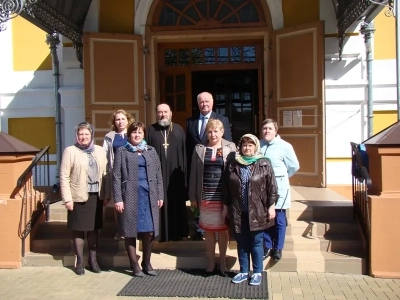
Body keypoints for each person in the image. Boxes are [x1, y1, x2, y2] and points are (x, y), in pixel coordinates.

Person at [222, 134, 278, 286]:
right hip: (237, 210)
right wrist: (225, 208)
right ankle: (243, 271)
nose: (247, 148)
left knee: (256, 242)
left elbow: (272, 187)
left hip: (258, 210)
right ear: (240, 147)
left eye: (250, 145)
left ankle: (257, 272)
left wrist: (271, 206)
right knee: (241, 242)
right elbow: (226, 188)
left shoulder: (264, 163)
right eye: (244, 145)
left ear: (255, 147)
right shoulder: (233, 164)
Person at [113, 121, 164, 277]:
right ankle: (134, 265)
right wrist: (118, 199)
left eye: (140, 132)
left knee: (149, 231)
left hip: (149, 195)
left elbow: (158, 173)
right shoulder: (122, 151)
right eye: (134, 132)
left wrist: (160, 194)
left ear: (144, 135)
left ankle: (146, 262)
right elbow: (116, 176)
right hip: (129, 195)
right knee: (130, 232)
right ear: (129, 135)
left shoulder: (151, 150)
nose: (137, 135)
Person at [60, 122, 109, 275]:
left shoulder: (100, 151)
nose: (84, 137)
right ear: (77, 136)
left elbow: (106, 174)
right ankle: (80, 262)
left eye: (86, 134)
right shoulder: (70, 151)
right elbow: (64, 176)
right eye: (81, 134)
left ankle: (93, 261)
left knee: (94, 229)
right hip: (78, 196)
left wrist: (106, 195)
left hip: (96, 196)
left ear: (91, 135)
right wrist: (67, 199)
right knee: (78, 230)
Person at [188, 119, 236, 277]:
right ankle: (211, 262)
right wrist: (193, 196)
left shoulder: (230, 147)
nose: (213, 134)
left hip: (223, 196)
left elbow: (234, 174)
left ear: (222, 132)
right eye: (210, 131)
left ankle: (222, 262)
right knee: (208, 231)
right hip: (206, 195)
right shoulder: (200, 148)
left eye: (216, 131)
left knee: (223, 230)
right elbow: (194, 173)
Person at [186, 91, 232, 240]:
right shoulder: (190, 122)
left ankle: (220, 230)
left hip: (218, 172)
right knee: (199, 201)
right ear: (198, 104)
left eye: (207, 101)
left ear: (212, 103)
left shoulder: (222, 119)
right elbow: (188, 147)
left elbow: (229, 146)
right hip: (199, 169)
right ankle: (199, 228)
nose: (204, 104)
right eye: (201, 102)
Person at [146, 103, 189, 242]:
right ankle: (159, 234)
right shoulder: (151, 130)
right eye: (160, 112)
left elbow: (184, 154)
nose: (163, 114)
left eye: (165, 112)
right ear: (156, 114)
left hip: (175, 176)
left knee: (175, 201)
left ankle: (176, 232)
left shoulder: (178, 130)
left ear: (171, 113)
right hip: (156, 175)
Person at [259, 118, 300, 262]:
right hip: (263, 189)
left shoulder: (285, 146)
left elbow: (294, 166)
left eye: (270, 128)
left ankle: (278, 248)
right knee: (266, 218)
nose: (267, 131)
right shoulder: (258, 145)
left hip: (279, 189)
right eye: (264, 128)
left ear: (276, 131)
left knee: (279, 218)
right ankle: (268, 245)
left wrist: (283, 178)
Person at [103, 109, 135, 240]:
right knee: (118, 203)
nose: (120, 121)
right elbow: (105, 155)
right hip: (116, 173)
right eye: (117, 119)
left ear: (128, 120)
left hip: (131, 173)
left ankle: (132, 230)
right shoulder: (109, 136)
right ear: (114, 122)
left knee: (131, 202)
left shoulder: (133, 133)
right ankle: (120, 230)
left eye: (123, 119)